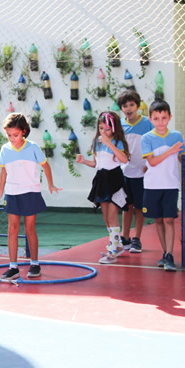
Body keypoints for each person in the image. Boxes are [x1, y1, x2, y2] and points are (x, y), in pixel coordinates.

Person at [0, 113, 61, 280]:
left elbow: (46, 166)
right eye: (9, 135)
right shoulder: (5, 149)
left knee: (29, 229)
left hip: (30, 192)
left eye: (16, 135)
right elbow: (4, 171)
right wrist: (0, 192)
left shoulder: (33, 147)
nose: (12, 138)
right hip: (12, 193)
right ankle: (13, 267)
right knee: (12, 230)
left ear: (24, 132)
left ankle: (34, 263)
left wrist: (50, 184)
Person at [141, 100, 185, 272]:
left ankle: (170, 255)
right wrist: (171, 151)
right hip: (152, 185)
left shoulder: (176, 136)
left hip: (171, 184)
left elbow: (182, 158)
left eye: (164, 118)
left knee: (169, 219)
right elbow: (153, 162)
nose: (160, 122)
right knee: (158, 219)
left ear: (170, 117)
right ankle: (165, 252)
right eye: (156, 118)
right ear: (150, 119)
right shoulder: (147, 138)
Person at [76, 112, 130, 264]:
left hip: (115, 180)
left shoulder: (117, 142)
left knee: (113, 215)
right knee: (106, 217)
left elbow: (124, 159)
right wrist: (84, 161)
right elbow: (96, 164)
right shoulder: (96, 143)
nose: (103, 132)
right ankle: (117, 245)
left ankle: (112, 249)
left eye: (107, 129)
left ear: (114, 128)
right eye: (101, 128)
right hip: (101, 180)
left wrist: (110, 144)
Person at [118, 90, 154, 253]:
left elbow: (154, 142)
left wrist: (150, 164)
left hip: (142, 172)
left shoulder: (147, 123)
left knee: (140, 207)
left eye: (131, 105)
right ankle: (125, 237)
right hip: (125, 172)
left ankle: (137, 239)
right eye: (125, 106)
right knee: (127, 206)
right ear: (121, 109)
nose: (128, 108)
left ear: (138, 106)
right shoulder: (120, 125)